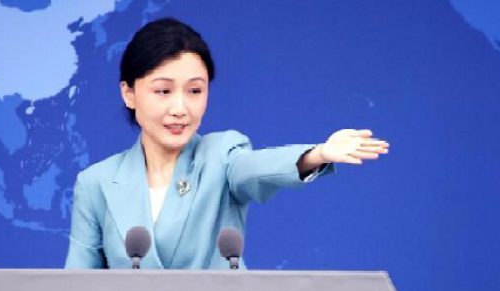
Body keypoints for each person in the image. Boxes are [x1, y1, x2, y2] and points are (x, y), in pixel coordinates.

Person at [64, 18, 388, 269]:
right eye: (163, 91)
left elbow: (255, 169)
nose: (180, 108)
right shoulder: (96, 183)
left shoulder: (222, 155)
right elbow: (77, 289)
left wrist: (316, 154)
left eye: (195, 91)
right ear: (129, 94)